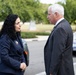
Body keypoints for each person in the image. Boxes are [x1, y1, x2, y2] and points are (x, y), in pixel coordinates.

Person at [44, 4, 75, 75]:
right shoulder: (65, 24)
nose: (47, 17)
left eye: (49, 14)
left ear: (56, 14)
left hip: (60, 71)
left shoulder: (60, 28)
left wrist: (52, 72)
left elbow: (57, 53)